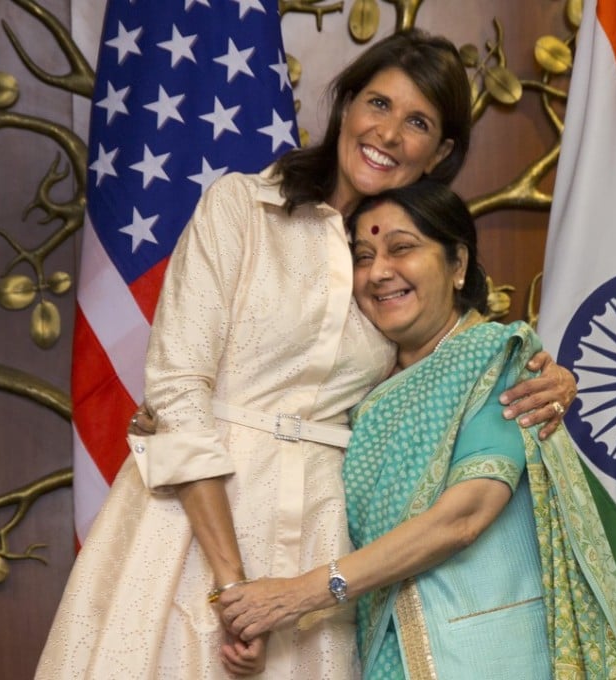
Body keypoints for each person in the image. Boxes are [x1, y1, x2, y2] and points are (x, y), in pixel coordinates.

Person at [36, 29, 576, 680]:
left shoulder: (393, 269)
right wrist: (233, 591)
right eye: (378, 105)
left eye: (418, 122)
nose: (389, 134)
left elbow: (448, 374)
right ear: (345, 106)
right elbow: (178, 391)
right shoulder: (242, 206)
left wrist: (544, 376)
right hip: (193, 531)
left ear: (441, 151)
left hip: (326, 547)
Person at [217, 180, 616, 680]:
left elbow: (463, 517)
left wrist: (295, 597)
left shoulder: (495, 357)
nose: (379, 272)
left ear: (458, 264)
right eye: (362, 257)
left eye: (402, 248)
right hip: (382, 651)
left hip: (492, 655)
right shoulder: (357, 393)